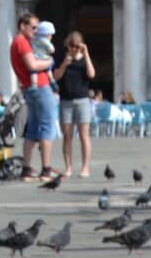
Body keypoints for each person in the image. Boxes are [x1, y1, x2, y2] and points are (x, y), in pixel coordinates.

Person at [10, 11, 58, 181]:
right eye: (34, 27)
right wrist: (50, 62)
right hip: (40, 87)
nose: (36, 31)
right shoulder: (22, 42)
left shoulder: (18, 42)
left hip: (30, 88)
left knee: (32, 129)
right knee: (47, 126)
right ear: (22, 26)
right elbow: (33, 64)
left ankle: (27, 169)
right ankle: (46, 169)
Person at [54, 31, 96, 178]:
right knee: (67, 136)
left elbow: (91, 74)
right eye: (71, 46)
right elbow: (55, 76)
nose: (74, 49)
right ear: (67, 46)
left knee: (84, 136)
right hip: (65, 100)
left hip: (82, 100)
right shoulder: (62, 58)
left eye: (77, 46)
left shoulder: (84, 59)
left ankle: (85, 167)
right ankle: (68, 167)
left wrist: (87, 54)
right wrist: (65, 64)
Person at [32, 21, 57, 89]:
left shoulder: (34, 39)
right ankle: (52, 80)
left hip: (35, 58)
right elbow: (52, 49)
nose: (51, 37)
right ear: (47, 34)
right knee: (49, 67)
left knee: (34, 72)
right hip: (43, 58)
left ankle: (34, 84)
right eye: (50, 35)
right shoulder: (44, 40)